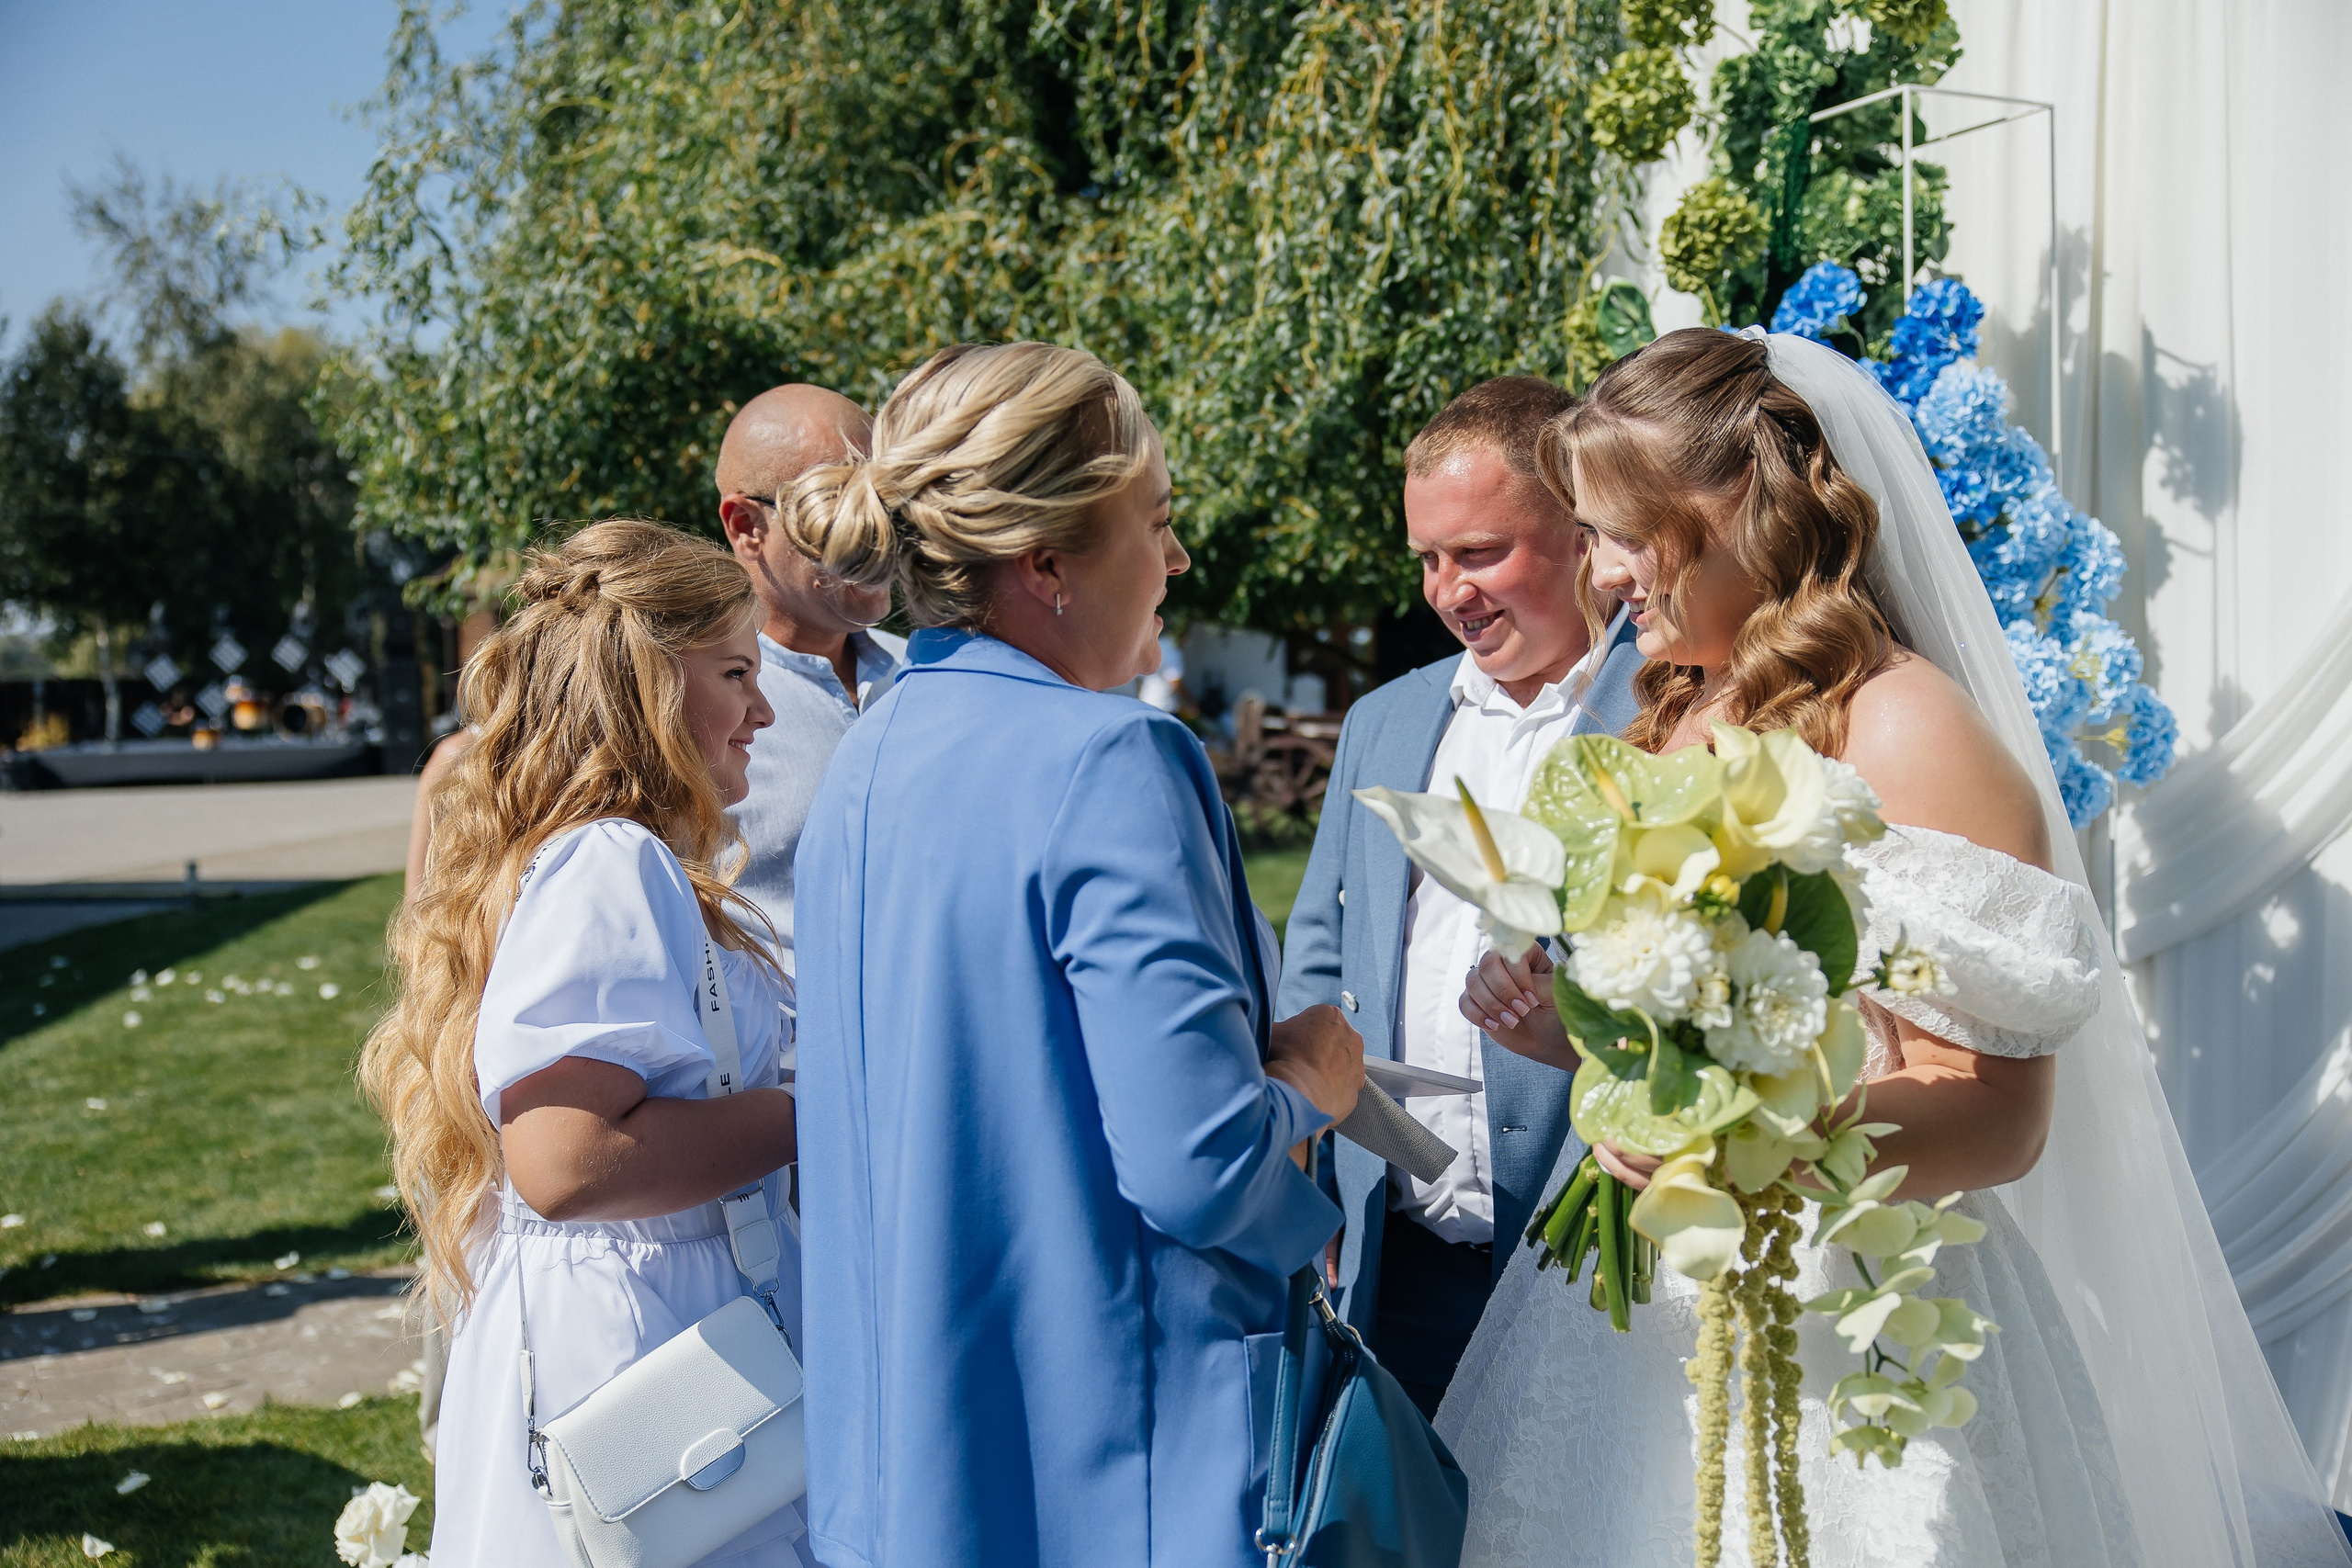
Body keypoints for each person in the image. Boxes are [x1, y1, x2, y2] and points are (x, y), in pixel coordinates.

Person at [1435, 329, 2352, 1567]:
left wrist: (1751, 1134)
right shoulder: (1673, 710)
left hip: (1858, 1322)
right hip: (1631, 1331)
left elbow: (1999, 1117)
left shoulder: (1910, 729)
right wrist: (1585, 1037)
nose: (1601, 574)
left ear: (1742, 509)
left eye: (1621, 530)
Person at [788, 341, 1366, 1568]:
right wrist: (1313, 1085)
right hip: (1117, 1467)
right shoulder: (1112, 761)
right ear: (1046, 562)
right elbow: (1202, 1164)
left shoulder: (866, 758)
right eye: (1154, 522)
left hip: (912, 1474)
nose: (1176, 559)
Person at [362, 521, 809, 1568]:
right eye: (735, 672)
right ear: (649, 683)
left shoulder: (596, 857)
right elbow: (563, 1159)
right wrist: (823, 1106)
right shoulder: (614, 861)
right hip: (636, 1352)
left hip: (630, 1326)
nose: (762, 710)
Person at [1276, 374, 1646, 1417]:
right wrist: (1319, 1170)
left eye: (1480, 552)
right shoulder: (1386, 719)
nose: (1448, 591)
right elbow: (1319, 944)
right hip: (1400, 1258)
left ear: (1583, 533)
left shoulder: (1669, 710)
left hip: (1592, 1248)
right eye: (1429, 560)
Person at [715, 385, 905, 976]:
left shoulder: (925, 676)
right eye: (839, 502)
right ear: (747, 526)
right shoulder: (692, 709)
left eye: (889, 498)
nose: (879, 531)